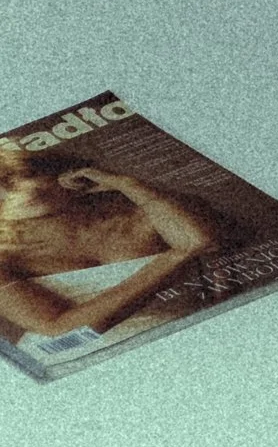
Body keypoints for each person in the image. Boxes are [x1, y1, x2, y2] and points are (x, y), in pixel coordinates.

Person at [0, 144, 212, 351]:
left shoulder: (142, 213)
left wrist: (126, 183)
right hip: (82, 358)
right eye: (7, 184)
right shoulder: (5, 259)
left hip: (191, 337)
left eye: (31, 175)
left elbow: (202, 243)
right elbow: (63, 331)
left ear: (66, 174)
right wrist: (175, 258)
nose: (26, 189)